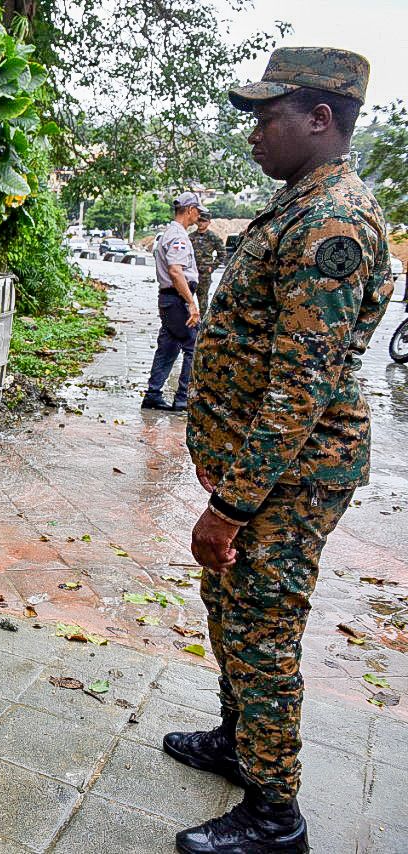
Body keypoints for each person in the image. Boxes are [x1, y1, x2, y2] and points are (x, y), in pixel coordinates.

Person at [175, 47, 392, 854]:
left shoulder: (332, 221)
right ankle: (240, 741)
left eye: (267, 118)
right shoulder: (300, 204)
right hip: (251, 469)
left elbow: (299, 388)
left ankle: (275, 816)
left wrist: (229, 508)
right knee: (230, 610)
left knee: (263, 631)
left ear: (320, 118)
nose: (255, 136)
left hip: (286, 479)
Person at [141, 191, 203, 412]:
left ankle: (153, 394)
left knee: (168, 346)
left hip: (170, 300)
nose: (199, 215)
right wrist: (191, 303)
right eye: (197, 211)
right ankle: (183, 398)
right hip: (177, 300)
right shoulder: (178, 237)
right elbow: (176, 272)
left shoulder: (169, 233)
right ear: (189, 210)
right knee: (193, 345)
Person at [190, 208, 226, 315]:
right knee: (187, 298)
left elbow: (222, 254)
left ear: (209, 222)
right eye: (199, 221)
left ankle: (202, 324)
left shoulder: (213, 237)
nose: (201, 223)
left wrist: (213, 266)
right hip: (191, 272)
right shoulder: (191, 237)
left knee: (203, 300)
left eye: (204, 221)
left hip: (204, 273)